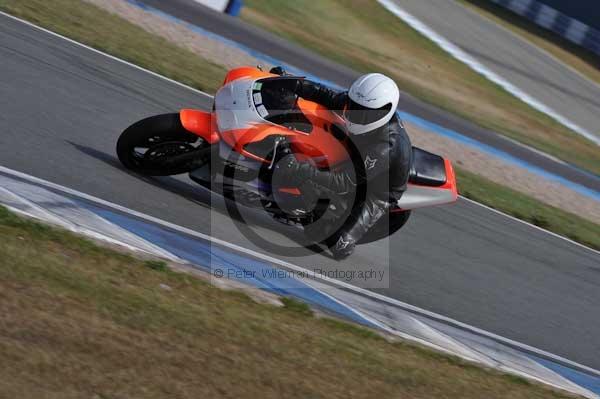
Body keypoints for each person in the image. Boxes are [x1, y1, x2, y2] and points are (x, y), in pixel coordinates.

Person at [270, 67, 413, 260]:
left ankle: (326, 223)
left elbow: (345, 181)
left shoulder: (385, 146)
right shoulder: (360, 104)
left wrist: (300, 170)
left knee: (338, 245)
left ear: (383, 112)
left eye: (364, 114)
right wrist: (293, 83)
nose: (356, 115)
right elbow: (326, 95)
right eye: (355, 108)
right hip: (356, 154)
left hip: (377, 190)